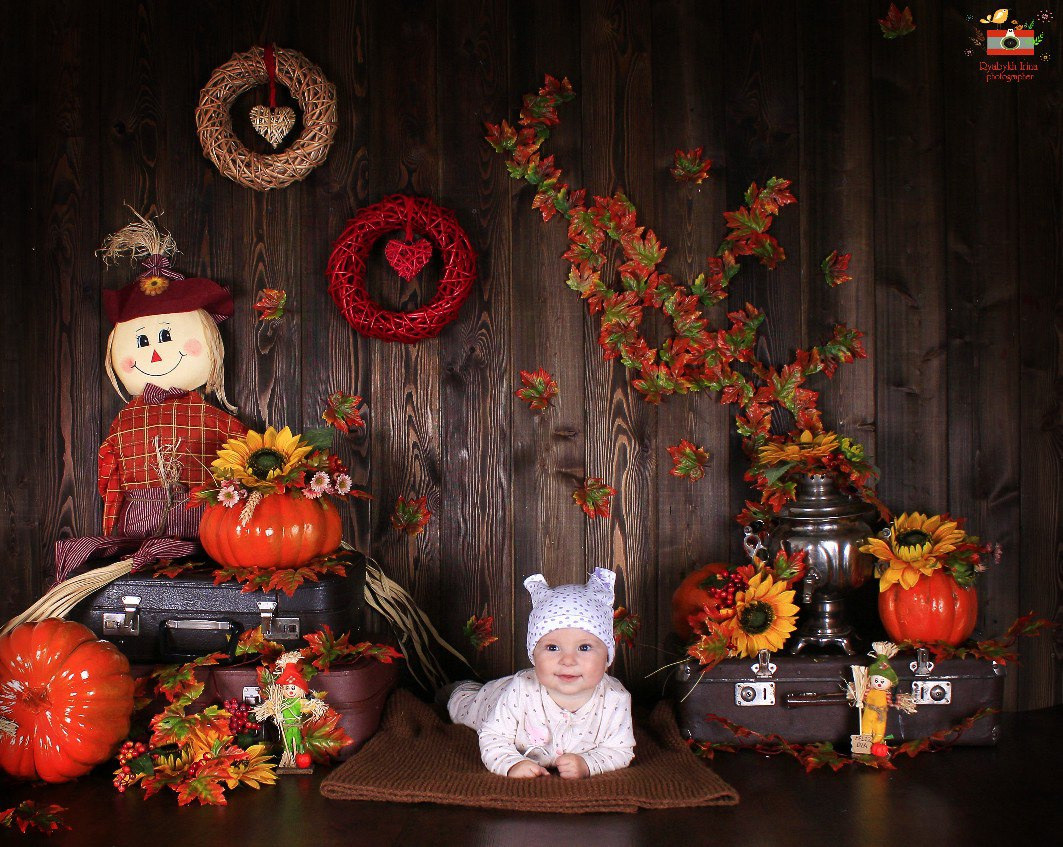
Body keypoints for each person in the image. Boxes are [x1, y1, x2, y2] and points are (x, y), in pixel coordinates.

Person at [447, 568, 635, 779]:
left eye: (584, 648)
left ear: (607, 656)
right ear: (533, 654)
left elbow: (620, 750)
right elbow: (493, 736)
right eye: (553, 648)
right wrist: (511, 764)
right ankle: (455, 689)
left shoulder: (615, 699)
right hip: (491, 698)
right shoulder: (520, 690)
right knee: (462, 704)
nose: (568, 661)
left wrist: (587, 764)